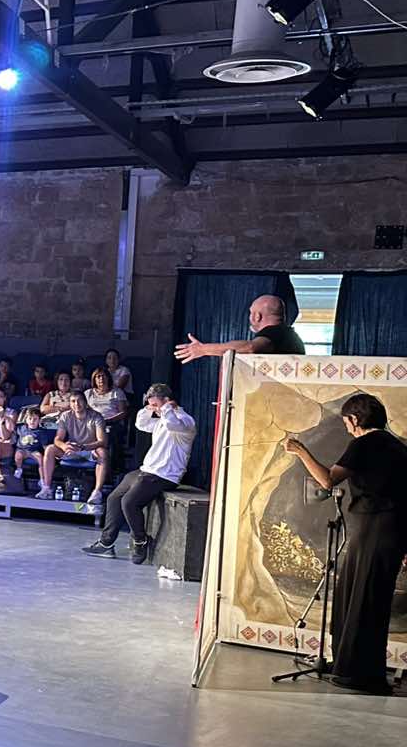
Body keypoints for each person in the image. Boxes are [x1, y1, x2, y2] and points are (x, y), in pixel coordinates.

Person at [283, 393, 407, 693]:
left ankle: (357, 674)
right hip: (391, 531)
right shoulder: (398, 447)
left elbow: (328, 480)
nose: (347, 428)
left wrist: (300, 451)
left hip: (371, 529)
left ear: (354, 419)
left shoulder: (364, 444)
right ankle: (353, 667)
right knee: (366, 598)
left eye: (346, 422)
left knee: (359, 599)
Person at [81, 384, 196, 564]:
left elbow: (172, 424)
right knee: (114, 498)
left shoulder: (185, 421)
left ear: (167, 401)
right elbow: (141, 423)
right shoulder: (161, 419)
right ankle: (106, 543)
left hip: (165, 475)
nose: (155, 409)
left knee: (129, 502)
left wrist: (166, 408)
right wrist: (150, 408)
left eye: (156, 405)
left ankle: (140, 541)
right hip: (147, 470)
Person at [174, 294, 306, 363]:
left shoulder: (275, 332)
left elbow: (250, 348)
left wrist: (203, 349)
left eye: (251, 312)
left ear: (257, 316)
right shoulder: (289, 335)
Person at [36, 391, 108, 502]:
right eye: (73, 401)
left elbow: (102, 441)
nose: (76, 404)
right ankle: (47, 489)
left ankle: (97, 493)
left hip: (89, 449)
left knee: (102, 452)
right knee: (50, 449)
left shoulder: (96, 416)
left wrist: (83, 447)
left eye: (79, 401)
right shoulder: (66, 416)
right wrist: (64, 446)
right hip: (71, 449)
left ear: (85, 402)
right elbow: (57, 439)